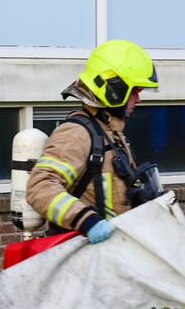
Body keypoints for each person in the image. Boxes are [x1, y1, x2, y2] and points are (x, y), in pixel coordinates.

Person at [27, 40, 160, 244]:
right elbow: (41, 187)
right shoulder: (76, 134)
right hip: (84, 259)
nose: (138, 99)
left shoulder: (113, 134)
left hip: (113, 253)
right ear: (115, 89)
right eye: (135, 91)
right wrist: (87, 221)